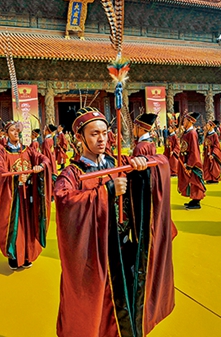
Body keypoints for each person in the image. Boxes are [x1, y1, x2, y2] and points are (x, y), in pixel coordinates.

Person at [53, 107, 174, 337]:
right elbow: (64, 200)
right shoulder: (73, 173)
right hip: (97, 257)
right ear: (79, 137)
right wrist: (106, 191)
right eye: (94, 134)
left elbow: (162, 162)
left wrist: (141, 167)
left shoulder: (116, 162)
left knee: (128, 304)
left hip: (124, 249)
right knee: (101, 312)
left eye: (104, 133)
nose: (101, 139)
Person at [0, 120, 53, 270]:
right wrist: (16, 178)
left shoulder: (28, 150)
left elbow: (44, 159)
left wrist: (40, 166)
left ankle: (27, 255)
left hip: (29, 195)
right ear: (7, 134)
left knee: (29, 225)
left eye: (17, 130)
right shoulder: (2, 154)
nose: (15, 133)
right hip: (13, 198)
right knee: (16, 225)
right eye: (12, 130)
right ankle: (14, 256)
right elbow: (0, 173)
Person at [178, 112, 206, 209]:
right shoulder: (186, 133)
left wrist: (190, 165)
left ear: (190, 121)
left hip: (193, 162)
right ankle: (194, 199)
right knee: (189, 181)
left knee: (195, 181)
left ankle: (197, 201)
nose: (183, 122)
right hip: (186, 160)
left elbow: (194, 151)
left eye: (185, 120)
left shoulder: (192, 133)